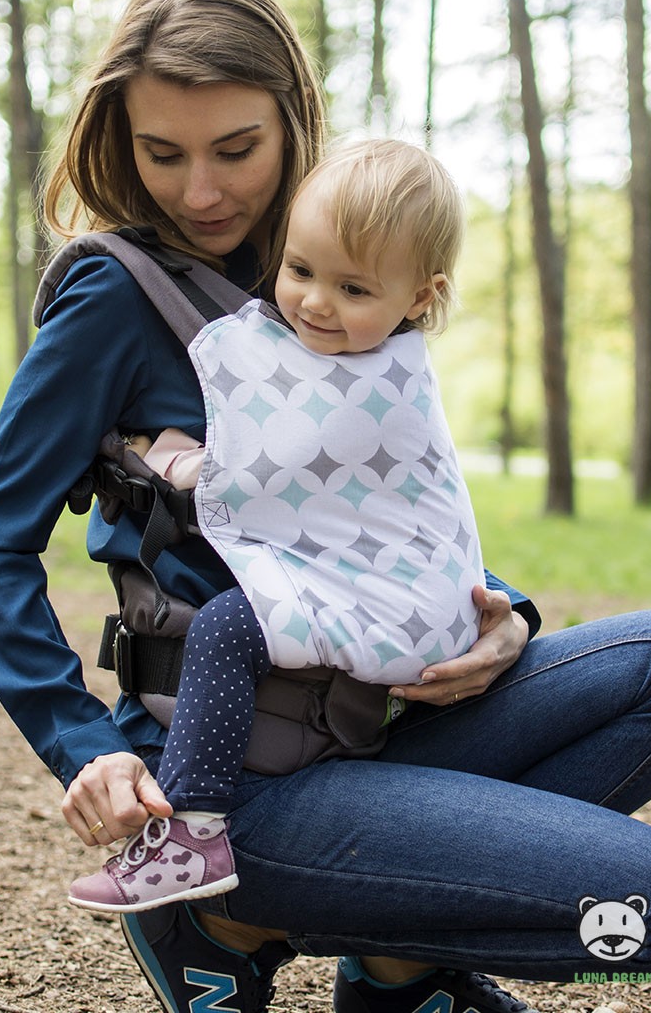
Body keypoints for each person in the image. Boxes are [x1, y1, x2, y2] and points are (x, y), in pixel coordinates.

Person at [0, 0, 651, 1013]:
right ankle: (221, 908)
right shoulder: (118, 296)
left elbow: (387, 502)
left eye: (235, 151)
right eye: (163, 154)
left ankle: (389, 965)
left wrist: (498, 613)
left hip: (379, 715)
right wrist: (81, 746)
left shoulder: (346, 265)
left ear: (294, 121)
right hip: (235, 769)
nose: (199, 192)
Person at [67, 138, 486, 915]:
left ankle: (194, 830)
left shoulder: (384, 388)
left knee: (230, 626)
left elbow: (272, 478)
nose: (315, 304)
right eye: (299, 271)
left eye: (353, 288)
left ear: (421, 297)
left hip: (390, 602)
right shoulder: (367, 352)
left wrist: (174, 463)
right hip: (376, 586)